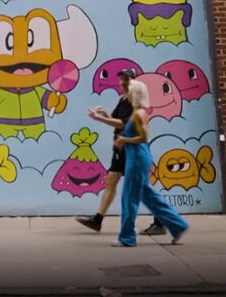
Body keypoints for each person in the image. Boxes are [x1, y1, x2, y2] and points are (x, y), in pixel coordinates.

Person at [88, 79, 189, 246]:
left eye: (129, 90)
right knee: (148, 196)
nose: (126, 91)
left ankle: (127, 238)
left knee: (129, 198)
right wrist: (106, 118)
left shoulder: (137, 114)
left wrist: (123, 140)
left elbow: (143, 138)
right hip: (138, 157)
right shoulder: (139, 112)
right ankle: (177, 226)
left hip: (136, 158)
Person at [76, 68, 165, 235]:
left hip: (130, 147)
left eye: (126, 80)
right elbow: (116, 119)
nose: (123, 83)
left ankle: (160, 221)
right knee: (111, 180)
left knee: (141, 187)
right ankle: (97, 220)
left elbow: (124, 124)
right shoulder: (123, 99)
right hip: (119, 148)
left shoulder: (135, 101)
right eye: (121, 79)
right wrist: (105, 115)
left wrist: (100, 119)